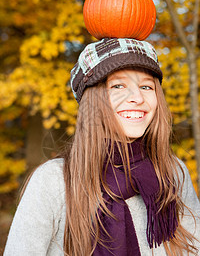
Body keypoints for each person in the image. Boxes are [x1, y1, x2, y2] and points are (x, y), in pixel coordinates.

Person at [4, 37, 200, 256]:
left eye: (146, 86)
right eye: (118, 85)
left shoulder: (173, 173)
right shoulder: (53, 181)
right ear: (93, 100)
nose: (137, 97)